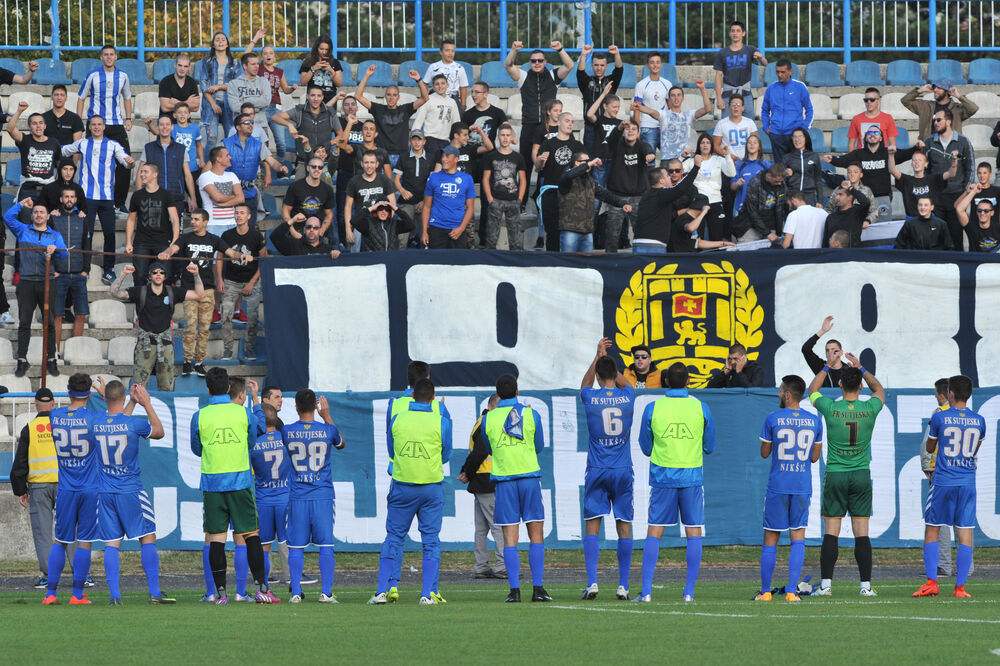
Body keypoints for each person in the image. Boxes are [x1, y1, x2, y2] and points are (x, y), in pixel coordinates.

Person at [191, 367, 278, 604]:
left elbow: (196, 448)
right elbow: (255, 436)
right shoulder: (243, 413)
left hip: (212, 484)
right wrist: (256, 401)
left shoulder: (200, 416)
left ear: (208, 389)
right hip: (239, 482)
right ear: (229, 388)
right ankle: (261, 589)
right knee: (251, 534)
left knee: (216, 539)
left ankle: (221, 595)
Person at [635, 362, 716, 602]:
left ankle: (647, 592)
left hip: (663, 477)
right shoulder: (701, 407)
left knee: (654, 531)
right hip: (691, 476)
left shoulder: (653, 407)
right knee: (694, 532)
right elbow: (710, 446)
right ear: (689, 381)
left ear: (666, 381)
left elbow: (645, 446)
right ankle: (689, 592)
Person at [807, 355, 885, 597]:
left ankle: (826, 586)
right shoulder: (869, 408)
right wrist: (861, 367)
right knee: (862, 533)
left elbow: (812, 390)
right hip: (860, 474)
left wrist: (826, 366)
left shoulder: (831, 408)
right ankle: (865, 587)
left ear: (840, 385)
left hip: (836, 474)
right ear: (860, 386)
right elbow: (879, 390)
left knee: (831, 531)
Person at [369, 378, 452, 605]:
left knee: (394, 538)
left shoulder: (398, 418)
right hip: (431, 487)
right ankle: (426, 594)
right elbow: (446, 455)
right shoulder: (441, 421)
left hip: (403, 486)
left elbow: (392, 451)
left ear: (412, 396)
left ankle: (381, 591)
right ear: (433, 398)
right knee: (431, 541)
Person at [92, 380, 175, 604]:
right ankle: (154, 592)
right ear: (122, 398)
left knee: (112, 543)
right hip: (131, 490)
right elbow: (159, 431)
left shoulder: (96, 422)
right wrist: (145, 403)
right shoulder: (134, 424)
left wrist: (130, 402)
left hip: (105, 493)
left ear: (105, 398)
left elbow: (116, 421)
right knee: (147, 537)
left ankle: (115, 595)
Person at [913, 375, 984, 599]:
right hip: (967, 481)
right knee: (965, 531)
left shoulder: (940, 417)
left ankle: (932, 583)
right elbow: (975, 448)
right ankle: (960, 588)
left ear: (950, 393)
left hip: (944, 480)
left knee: (932, 528)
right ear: (969, 394)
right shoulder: (979, 420)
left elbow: (930, 446)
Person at [482, 374, 550, 603]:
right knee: (536, 534)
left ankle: (514, 592)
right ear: (517, 391)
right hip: (529, 478)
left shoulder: (489, 418)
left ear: (498, 394)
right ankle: (538, 589)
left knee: (510, 538)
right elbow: (539, 445)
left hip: (505, 481)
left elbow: (489, 447)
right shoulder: (531, 414)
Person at [755, 374, 823, 602]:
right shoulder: (814, 420)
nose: (778, 393)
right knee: (798, 537)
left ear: (787, 394)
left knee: (771, 538)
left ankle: (765, 592)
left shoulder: (773, 418)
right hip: (801, 485)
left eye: (780, 390)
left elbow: (764, 453)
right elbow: (814, 457)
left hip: (778, 485)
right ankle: (792, 592)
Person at [160, 208, 251, 377]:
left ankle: (199, 362)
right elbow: (173, 249)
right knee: (190, 326)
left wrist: (243, 256)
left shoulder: (214, 239)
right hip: (189, 289)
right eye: (192, 219)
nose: (193, 222)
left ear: (205, 222)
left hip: (208, 289)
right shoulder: (185, 237)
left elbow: (231, 253)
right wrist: (166, 253)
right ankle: (187, 361)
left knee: (204, 328)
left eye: (196, 219)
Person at [579, 338, 635, 601]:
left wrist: (597, 357)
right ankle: (623, 585)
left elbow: (584, 385)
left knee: (593, 524)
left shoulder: (590, 397)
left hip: (597, 468)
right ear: (615, 374)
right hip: (622, 469)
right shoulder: (628, 396)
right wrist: (609, 365)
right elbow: (626, 384)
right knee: (624, 524)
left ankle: (592, 582)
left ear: (599, 376)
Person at [283, 388, 346, 603]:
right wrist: (326, 415)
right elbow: (341, 443)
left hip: (298, 496)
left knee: (296, 546)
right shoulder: (328, 430)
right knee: (326, 545)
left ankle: (295, 593)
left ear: (296, 407)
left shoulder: (287, 431)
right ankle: (326, 593)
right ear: (315, 407)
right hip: (322, 495)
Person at [43, 373, 99, 604]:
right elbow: (116, 417)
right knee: (84, 541)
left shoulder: (55, 415)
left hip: (66, 488)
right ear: (90, 394)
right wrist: (104, 396)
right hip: (89, 487)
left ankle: (50, 593)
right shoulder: (94, 418)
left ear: (68, 392)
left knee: (60, 540)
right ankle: (77, 594)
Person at [61, 115, 135, 285]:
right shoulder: (82, 143)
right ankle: (84, 268)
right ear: (89, 127)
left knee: (110, 234)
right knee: (87, 234)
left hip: (107, 198)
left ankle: (108, 270)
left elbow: (125, 161)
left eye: (99, 124)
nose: (96, 127)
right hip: (87, 198)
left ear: (104, 127)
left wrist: (130, 163)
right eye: (93, 124)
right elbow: (64, 151)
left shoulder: (113, 145)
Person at [109, 262, 204, 391]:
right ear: (149, 276)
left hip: (165, 344)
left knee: (166, 387)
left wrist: (196, 275)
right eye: (155, 272)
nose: (158, 275)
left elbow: (199, 294)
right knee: (139, 387)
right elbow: (114, 292)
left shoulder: (172, 292)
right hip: (145, 345)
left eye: (161, 272)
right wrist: (123, 274)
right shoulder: (140, 291)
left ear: (165, 276)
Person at [3, 198, 67, 377]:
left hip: (47, 282)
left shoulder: (55, 236)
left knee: (49, 322)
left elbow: (64, 256)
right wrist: (21, 205)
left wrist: (56, 250)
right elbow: (7, 217)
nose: (38, 215)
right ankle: (22, 359)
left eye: (42, 212)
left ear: (48, 216)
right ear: (31, 216)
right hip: (26, 282)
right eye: (36, 212)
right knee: (24, 322)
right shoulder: (23, 230)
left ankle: (51, 359)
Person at [504, 40, 573, 204]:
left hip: (548, 126)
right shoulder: (523, 77)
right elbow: (508, 65)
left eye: (540, 60)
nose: (537, 63)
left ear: (545, 62)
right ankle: (521, 201)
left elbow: (569, 65)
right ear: (530, 62)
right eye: (533, 60)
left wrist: (560, 50)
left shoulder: (552, 76)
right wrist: (514, 50)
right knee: (525, 166)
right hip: (529, 125)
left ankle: (540, 196)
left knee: (549, 163)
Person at [9, 388, 59, 590]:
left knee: (43, 533)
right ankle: (82, 575)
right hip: (66, 485)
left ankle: (49, 576)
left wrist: (20, 490)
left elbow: (20, 463)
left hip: (39, 487)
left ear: (36, 404)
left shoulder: (29, 429)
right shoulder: (63, 426)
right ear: (53, 404)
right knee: (71, 530)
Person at [77, 45, 133, 213]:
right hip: (96, 124)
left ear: (116, 57)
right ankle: (88, 200)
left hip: (116, 124)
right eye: (105, 55)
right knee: (91, 162)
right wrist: (79, 120)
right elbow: (81, 97)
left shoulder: (123, 76)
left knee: (125, 162)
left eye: (111, 54)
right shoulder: (93, 75)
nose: (108, 57)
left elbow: (127, 97)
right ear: (101, 57)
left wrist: (128, 118)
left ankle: (119, 203)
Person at [919, 378, 964, 579]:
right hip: (963, 472)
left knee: (940, 520)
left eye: (937, 394)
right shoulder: (967, 416)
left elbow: (927, 443)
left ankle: (944, 564)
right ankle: (966, 567)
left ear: (944, 394)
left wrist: (926, 465)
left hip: (942, 471)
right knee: (962, 521)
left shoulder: (940, 414)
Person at [457, 394, 505, 579]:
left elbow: (475, 453)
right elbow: (480, 452)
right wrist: (467, 473)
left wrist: (466, 471)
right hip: (488, 479)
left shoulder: (480, 421)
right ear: (492, 406)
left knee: (481, 527)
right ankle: (502, 566)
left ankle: (482, 566)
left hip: (480, 480)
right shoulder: (489, 422)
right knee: (498, 525)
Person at [249, 401, 292, 589]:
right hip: (284, 496)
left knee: (264, 544)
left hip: (263, 498)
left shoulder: (253, 443)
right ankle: (292, 580)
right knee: (286, 541)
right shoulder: (286, 439)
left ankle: (263, 581)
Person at [558, 152, 631, 253]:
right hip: (570, 230)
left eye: (589, 160)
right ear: (577, 163)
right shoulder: (567, 177)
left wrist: (622, 203)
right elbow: (569, 175)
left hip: (587, 232)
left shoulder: (590, 181)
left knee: (587, 262)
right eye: (586, 161)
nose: (590, 163)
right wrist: (590, 163)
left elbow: (605, 195)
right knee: (568, 261)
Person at [223, 113, 288, 227]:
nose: (251, 125)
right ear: (238, 127)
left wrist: (280, 167)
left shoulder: (258, 145)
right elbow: (214, 164)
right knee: (230, 228)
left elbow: (272, 162)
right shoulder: (225, 143)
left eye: (252, 122)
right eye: (247, 123)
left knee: (250, 228)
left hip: (249, 193)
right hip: (230, 193)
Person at [462, 81, 508, 244]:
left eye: (477, 92)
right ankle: (464, 236)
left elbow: (506, 128)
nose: (473, 95)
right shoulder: (467, 115)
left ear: (486, 94)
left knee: (487, 199)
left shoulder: (497, 112)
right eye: (472, 92)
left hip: (489, 158)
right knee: (463, 195)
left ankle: (485, 238)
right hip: (470, 158)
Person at [923, 109, 975, 250]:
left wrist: (965, 192)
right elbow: (924, 169)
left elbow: (970, 167)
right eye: (934, 120)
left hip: (956, 195)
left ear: (949, 121)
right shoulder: (928, 142)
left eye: (939, 120)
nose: (935, 123)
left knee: (956, 236)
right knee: (937, 237)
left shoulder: (963, 141)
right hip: (936, 196)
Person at [357, 66, 429, 166]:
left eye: (394, 95)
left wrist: (419, 80)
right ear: (385, 96)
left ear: (398, 97)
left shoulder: (405, 109)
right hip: (382, 156)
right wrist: (367, 76)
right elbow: (358, 96)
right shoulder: (378, 109)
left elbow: (425, 98)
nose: (391, 98)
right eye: (389, 95)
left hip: (402, 156)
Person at [219, 204, 265, 360]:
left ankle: (249, 348)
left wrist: (252, 283)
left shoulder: (256, 236)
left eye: (242, 213)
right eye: (236, 213)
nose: (238, 215)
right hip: (231, 281)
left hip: (251, 280)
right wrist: (219, 278)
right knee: (225, 315)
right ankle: (228, 349)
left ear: (249, 216)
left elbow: (263, 261)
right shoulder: (226, 235)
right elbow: (219, 257)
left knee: (253, 318)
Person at [48, 187, 90, 353]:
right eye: (66, 196)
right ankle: (55, 352)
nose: (69, 199)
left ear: (76, 199)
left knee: (81, 313)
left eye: (72, 197)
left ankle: (75, 352)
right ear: (61, 199)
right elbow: (48, 245)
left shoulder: (82, 219)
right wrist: (53, 270)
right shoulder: (53, 218)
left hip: (79, 273)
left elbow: (87, 246)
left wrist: (85, 270)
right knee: (57, 314)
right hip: (59, 274)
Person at [536, 112, 584, 251]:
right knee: (552, 232)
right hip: (551, 192)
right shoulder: (548, 143)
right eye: (567, 121)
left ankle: (568, 260)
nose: (570, 124)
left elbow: (585, 166)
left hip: (571, 193)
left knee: (570, 232)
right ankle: (552, 260)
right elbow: (537, 168)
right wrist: (541, 161)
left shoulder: (577, 145)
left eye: (572, 122)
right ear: (558, 123)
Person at [603, 120, 655, 251]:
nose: (630, 131)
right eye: (628, 129)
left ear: (638, 133)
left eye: (633, 129)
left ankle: (640, 258)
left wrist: (650, 155)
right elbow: (612, 138)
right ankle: (610, 259)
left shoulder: (642, 146)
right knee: (612, 234)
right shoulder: (617, 144)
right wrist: (620, 126)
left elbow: (648, 150)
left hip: (638, 196)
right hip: (616, 196)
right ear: (623, 132)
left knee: (640, 232)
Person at [126, 163, 180, 284]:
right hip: (141, 242)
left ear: (155, 174)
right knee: (139, 276)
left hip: (162, 241)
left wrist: (174, 242)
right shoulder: (137, 195)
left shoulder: (166, 194)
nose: (142, 174)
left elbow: (175, 219)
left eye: (145, 172)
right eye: (141, 172)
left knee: (165, 276)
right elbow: (131, 219)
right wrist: (128, 242)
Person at [271, 85, 343, 174]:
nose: (316, 99)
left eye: (319, 96)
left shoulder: (330, 112)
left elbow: (341, 135)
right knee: (300, 183)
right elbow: (275, 117)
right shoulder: (299, 111)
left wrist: (328, 144)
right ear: (307, 96)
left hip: (324, 162)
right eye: (312, 95)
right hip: (303, 161)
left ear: (322, 97)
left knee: (326, 183)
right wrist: (289, 125)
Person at [826, 127, 895, 216]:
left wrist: (913, 149)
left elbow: (905, 154)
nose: (872, 134)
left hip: (883, 196)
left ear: (881, 138)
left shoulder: (888, 152)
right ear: (865, 138)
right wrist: (833, 159)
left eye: (876, 133)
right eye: (869, 133)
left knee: (883, 222)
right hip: (864, 196)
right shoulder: (859, 153)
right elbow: (844, 160)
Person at [273, 155, 336, 253]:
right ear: (307, 168)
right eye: (313, 166)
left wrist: (322, 230)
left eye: (320, 167)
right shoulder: (295, 187)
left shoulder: (327, 189)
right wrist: (293, 232)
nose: (317, 169)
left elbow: (329, 214)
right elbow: (286, 210)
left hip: (317, 234)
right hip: (298, 233)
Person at [138, 115, 197, 217]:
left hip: (176, 198)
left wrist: (193, 199)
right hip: (153, 197)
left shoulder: (181, 149)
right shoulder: (149, 148)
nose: (165, 127)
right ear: (158, 127)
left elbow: (188, 175)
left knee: (176, 227)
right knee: (156, 227)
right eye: (161, 125)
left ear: (172, 127)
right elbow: (140, 172)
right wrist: (139, 196)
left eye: (167, 124)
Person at [633, 161, 703, 246]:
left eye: (677, 170)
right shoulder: (661, 194)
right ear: (662, 181)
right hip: (652, 244)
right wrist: (696, 167)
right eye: (667, 175)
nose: (670, 176)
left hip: (638, 242)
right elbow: (680, 189)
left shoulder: (647, 195)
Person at [6, 102, 62, 206]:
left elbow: (59, 164)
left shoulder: (54, 143)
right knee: (25, 216)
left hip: (48, 188)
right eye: (34, 123)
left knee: (49, 216)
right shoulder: (25, 140)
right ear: (29, 127)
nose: (38, 126)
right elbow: (10, 129)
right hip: (28, 188)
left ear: (45, 126)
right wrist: (19, 111)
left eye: (41, 123)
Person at [683, 133, 736, 240]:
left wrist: (727, 155)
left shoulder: (718, 159)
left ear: (711, 145)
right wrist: (682, 156)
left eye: (708, 143)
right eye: (702, 143)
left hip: (716, 201)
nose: (705, 145)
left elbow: (732, 173)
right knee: (698, 237)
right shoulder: (692, 161)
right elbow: (678, 171)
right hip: (698, 202)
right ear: (699, 146)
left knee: (717, 236)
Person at [481, 124, 527, 250]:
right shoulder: (491, 156)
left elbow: (523, 179)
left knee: (516, 241)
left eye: (508, 135)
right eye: (502, 135)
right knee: (491, 238)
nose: (505, 138)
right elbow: (485, 179)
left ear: (512, 137)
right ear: (498, 137)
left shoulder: (518, 157)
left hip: (513, 199)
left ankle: (515, 261)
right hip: (495, 199)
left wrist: (520, 199)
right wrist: (490, 198)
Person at [422, 145, 475, 249]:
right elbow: (426, 206)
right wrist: (424, 231)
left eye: (447, 156)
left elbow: (470, 208)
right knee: (436, 259)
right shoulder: (433, 177)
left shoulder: (467, 179)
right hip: (436, 227)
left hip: (457, 229)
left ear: (456, 159)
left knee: (457, 259)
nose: (443, 159)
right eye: (443, 156)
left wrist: (461, 228)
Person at [760, 59, 812, 163]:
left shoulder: (800, 87)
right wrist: (766, 128)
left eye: (783, 72)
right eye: (777, 72)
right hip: (776, 134)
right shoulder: (771, 88)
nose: (780, 75)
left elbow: (809, 109)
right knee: (780, 167)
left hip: (794, 134)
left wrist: (804, 128)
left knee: (796, 165)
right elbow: (765, 110)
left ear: (790, 71)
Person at [714, 21, 766, 119]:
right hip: (728, 94)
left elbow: (765, 63)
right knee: (726, 123)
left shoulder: (750, 49)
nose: (735, 33)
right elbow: (718, 76)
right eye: (733, 31)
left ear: (743, 33)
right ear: (729, 33)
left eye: (738, 31)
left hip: (745, 93)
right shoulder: (722, 53)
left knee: (749, 122)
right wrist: (719, 98)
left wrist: (761, 58)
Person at [576, 44, 623, 152]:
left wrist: (616, 54)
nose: (599, 68)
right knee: (590, 159)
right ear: (592, 65)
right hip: (590, 127)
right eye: (596, 65)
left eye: (602, 65)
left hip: (608, 127)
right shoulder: (586, 82)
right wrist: (583, 55)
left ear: (606, 66)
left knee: (609, 157)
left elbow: (619, 69)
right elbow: (580, 72)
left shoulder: (611, 82)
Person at [345, 150, 397, 249]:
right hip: (361, 225)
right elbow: (348, 207)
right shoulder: (354, 181)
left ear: (377, 164)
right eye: (366, 162)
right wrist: (348, 230)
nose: (369, 166)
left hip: (380, 224)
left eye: (372, 162)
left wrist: (386, 225)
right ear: (361, 164)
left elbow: (393, 205)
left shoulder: (385, 180)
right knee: (357, 256)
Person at [199, 32, 244, 145]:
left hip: (229, 104)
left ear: (227, 44)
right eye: (217, 39)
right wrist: (213, 104)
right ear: (213, 44)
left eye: (223, 40)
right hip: (211, 104)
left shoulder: (235, 62)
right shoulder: (207, 61)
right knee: (211, 139)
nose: (220, 42)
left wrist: (219, 86)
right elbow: (204, 85)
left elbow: (238, 84)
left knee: (232, 139)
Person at [256, 44, 297, 160]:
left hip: (274, 109)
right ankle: (265, 166)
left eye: (271, 53)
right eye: (265, 53)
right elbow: (246, 58)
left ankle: (280, 166)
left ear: (274, 56)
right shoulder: (258, 68)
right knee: (263, 142)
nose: (268, 55)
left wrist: (292, 88)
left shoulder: (279, 71)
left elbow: (286, 90)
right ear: (262, 57)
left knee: (281, 143)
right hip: (261, 109)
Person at [903, 78, 978, 140]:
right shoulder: (925, 106)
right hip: (928, 147)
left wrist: (958, 96)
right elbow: (905, 101)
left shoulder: (957, 109)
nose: (935, 90)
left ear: (947, 91)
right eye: (934, 87)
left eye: (939, 88)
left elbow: (973, 108)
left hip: (950, 147)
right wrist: (920, 90)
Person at [890, 148, 955, 216]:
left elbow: (951, 173)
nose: (917, 162)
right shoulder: (906, 180)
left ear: (926, 164)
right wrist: (891, 154)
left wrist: (954, 160)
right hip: (912, 219)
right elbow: (892, 171)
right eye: (914, 160)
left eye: (920, 160)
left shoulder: (933, 179)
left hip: (929, 218)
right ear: (911, 164)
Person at [197, 145, 245, 237]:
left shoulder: (232, 175)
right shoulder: (205, 176)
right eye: (227, 155)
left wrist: (223, 204)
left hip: (233, 224)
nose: (230, 157)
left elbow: (241, 199)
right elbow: (218, 198)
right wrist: (234, 196)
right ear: (218, 159)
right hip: (213, 225)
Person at [411, 75, 462, 159]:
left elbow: (456, 123)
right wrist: (414, 138)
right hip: (430, 139)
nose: (440, 86)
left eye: (442, 83)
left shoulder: (452, 102)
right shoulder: (428, 99)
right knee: (433, 163)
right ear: (433, 87)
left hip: (446, 140)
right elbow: (419, 121)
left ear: (447, 85)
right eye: (437, 84)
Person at [733, 163, 786, 243]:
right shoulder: (755, 183)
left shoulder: (782, 184)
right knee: (747, 246)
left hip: (771, 223)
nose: (779, 184)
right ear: (769, 176)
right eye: (776, 181)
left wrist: (779, 232)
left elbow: (780, 209)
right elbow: (752, 212)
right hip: (751, 224)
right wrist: (767, 233)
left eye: (781, 181)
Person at [632, 52, 672, 152]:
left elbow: (671, 107)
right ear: (648, 65)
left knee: (669, 158)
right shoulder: (641, 85)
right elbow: (637, 109)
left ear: (661, 65)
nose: (655, 65)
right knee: (649, 159)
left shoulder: (667, 84)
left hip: (663, 127)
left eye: (658, 62)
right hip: (647, 127)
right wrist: (637, 130)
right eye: (652, 62)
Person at [668, 194, 735, 252]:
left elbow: (699, 243)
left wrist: (723, 243)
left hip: (690, 257)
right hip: (679, 257)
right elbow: (690, 228)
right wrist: (703, 212)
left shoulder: (695, 220)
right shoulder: (683, 218)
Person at [394, 129, 432, 229]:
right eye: (414, 139)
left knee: (425, 233)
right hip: (407, 202)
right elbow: (396, 179)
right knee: (403, 234)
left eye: (419, 139)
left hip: (424, 202)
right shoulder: (403, 157)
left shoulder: (430, 158)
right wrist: (402, 191)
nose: (416, 142)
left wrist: (424, 201)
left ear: (424, 141)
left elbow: (433, 183)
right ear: (410, 141)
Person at [822, 163, 877, 228]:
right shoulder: (839, 189)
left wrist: (867, 221)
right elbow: (829, 209)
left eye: (855, 172)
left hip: (861, 227)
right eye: (849, 172)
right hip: (841, 227)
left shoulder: (867, 190)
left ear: (861, 175)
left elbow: (873, 211)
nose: (852, 174)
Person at [227, 52, 272, 131]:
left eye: (257, 64)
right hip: (242, 127)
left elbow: (266, 101)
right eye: (253, 64)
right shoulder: (233, 84)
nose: (256, 66)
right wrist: (257, 108)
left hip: (261, 126)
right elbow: (234, 107)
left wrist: (244, 100)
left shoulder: (264, 81)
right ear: (245, 66)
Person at [731, 134, 770, 218]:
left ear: (759, 147)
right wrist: (737, 184)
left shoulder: (766, 165)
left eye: (755, 142)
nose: (752, 144)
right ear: (746, 146)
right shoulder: (739, 165)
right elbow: (732, 187)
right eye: (749, 142)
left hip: (761, 208)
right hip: (743, 208)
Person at [782, 128, 823, 206]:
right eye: (794, 137)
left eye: (800, 137)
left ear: (805, 139)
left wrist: (820, 200)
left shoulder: (814, 156)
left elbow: (818, 179)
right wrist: (785, 174)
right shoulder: (787, 157)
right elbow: (781, 181)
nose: (797, 140)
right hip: (792, 196)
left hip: (809, 197)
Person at [822, 182, 870, 248]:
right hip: (834, 253)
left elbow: (866, 203)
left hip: (853, 253)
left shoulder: (857, 213)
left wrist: (851, 188)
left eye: (840, 194)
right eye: (836, 195)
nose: (837, 197)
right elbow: (825, 242)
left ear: (850, 197)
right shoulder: (831, 217)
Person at [423, 39, 469, 107]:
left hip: (453, 98)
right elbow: (425, 83)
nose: (450, 53)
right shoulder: (433, 67)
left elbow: (463, 87)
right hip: (435, 97)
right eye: (447, 50)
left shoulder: (460, 68)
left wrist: (463, 105)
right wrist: (425, 99)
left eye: (452, 51)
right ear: (441, 52)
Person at [299, 35, 343, 104]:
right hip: (313, 100)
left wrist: (331, 70)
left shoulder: (335, 62)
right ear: (316, 48)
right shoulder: (308, 62)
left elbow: (339, 84)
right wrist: (313, 69)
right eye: (321, 49)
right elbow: (303, 82)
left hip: (330, 99)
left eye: (326, 49)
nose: (324, 52)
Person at [955, 184, 1000, 252]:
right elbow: (959, 209)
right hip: (975, 258)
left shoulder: (997, 228)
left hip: (993, 259)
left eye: (986, 211)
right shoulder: (972, 227)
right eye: (979, 210)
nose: (982, 213)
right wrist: (974, 191)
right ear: (976, 212)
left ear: (992, 213)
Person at [713, 96, 758, 160]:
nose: (736, 107)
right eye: (733, 104)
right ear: (729, 107)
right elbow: (715, 146)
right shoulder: (721, 124)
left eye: (739, 104)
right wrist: (727, 155)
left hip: (747, 160)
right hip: (728, 160)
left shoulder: (750, 123)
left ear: (743, 107)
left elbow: (756, 143)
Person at [158, 53, 201, 120]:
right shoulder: (165, 81)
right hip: (167, 123)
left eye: (185, 66)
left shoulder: (192, 82)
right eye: (180, 65)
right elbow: (165, 108)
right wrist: (187, 102)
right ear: (175, 65)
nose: (182, 69)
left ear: (189, 67)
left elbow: (195, 108)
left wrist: (177, 102)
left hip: (185, 122)